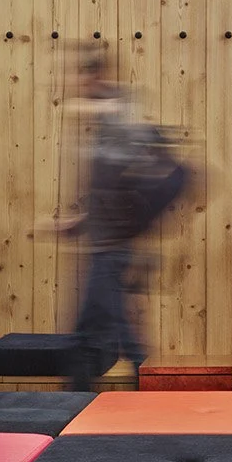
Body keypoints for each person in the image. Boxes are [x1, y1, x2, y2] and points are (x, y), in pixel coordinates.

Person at [50, 45, 189, 392]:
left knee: (96, 330)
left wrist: (132, 218)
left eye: (80, 77)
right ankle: (139, 394)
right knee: (115, 327)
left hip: (113, 245)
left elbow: (139, 162)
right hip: (106, 243)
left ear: (92, 75)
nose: (76, 85)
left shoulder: (119, 118)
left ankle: (72, 411)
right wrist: (80, 220)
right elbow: (110, 186)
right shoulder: (104, 124)